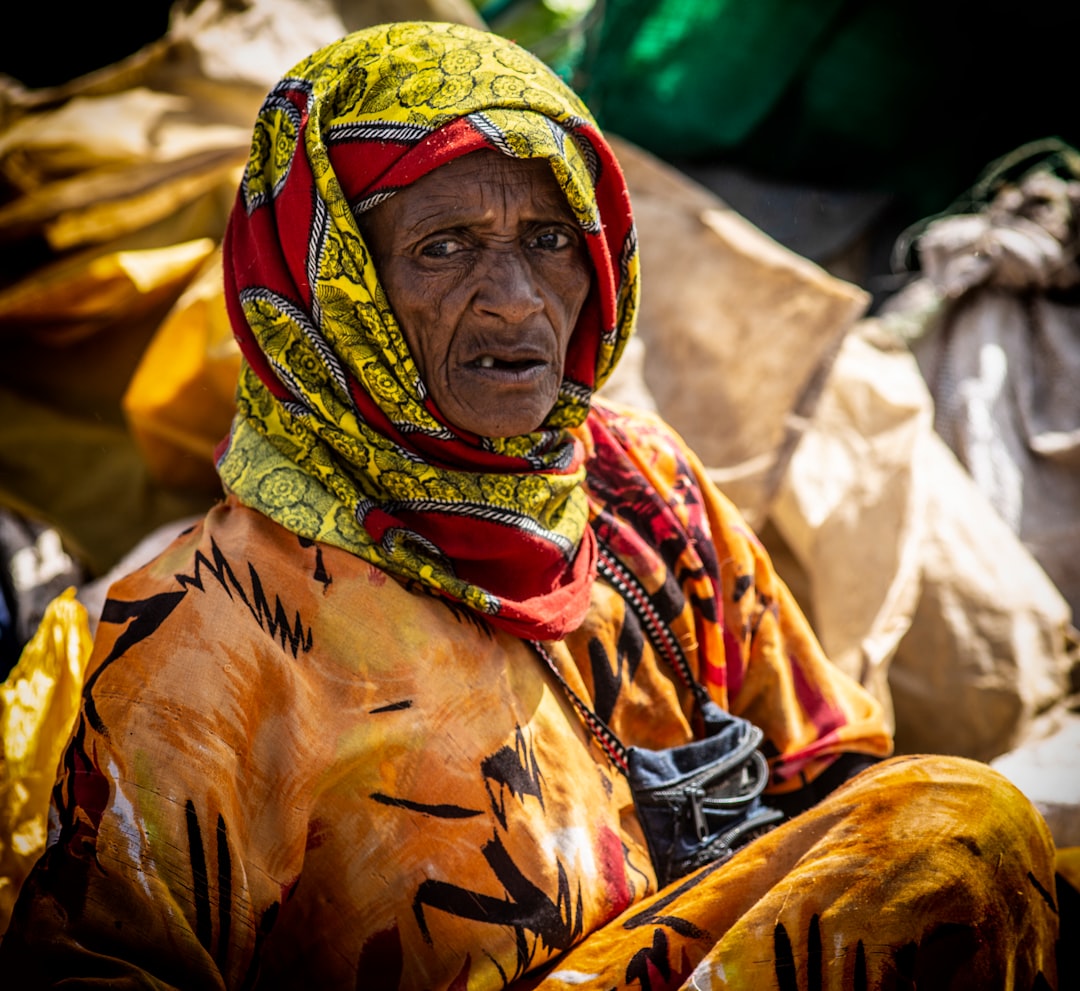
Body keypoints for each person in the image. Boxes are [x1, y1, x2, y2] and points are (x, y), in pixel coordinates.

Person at [0, 20, 1060, 990]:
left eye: (551, 238)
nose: (515, 299)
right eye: (444, 247)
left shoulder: (635, 488)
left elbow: (834, 775)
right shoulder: (211, 628)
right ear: (331, 281)